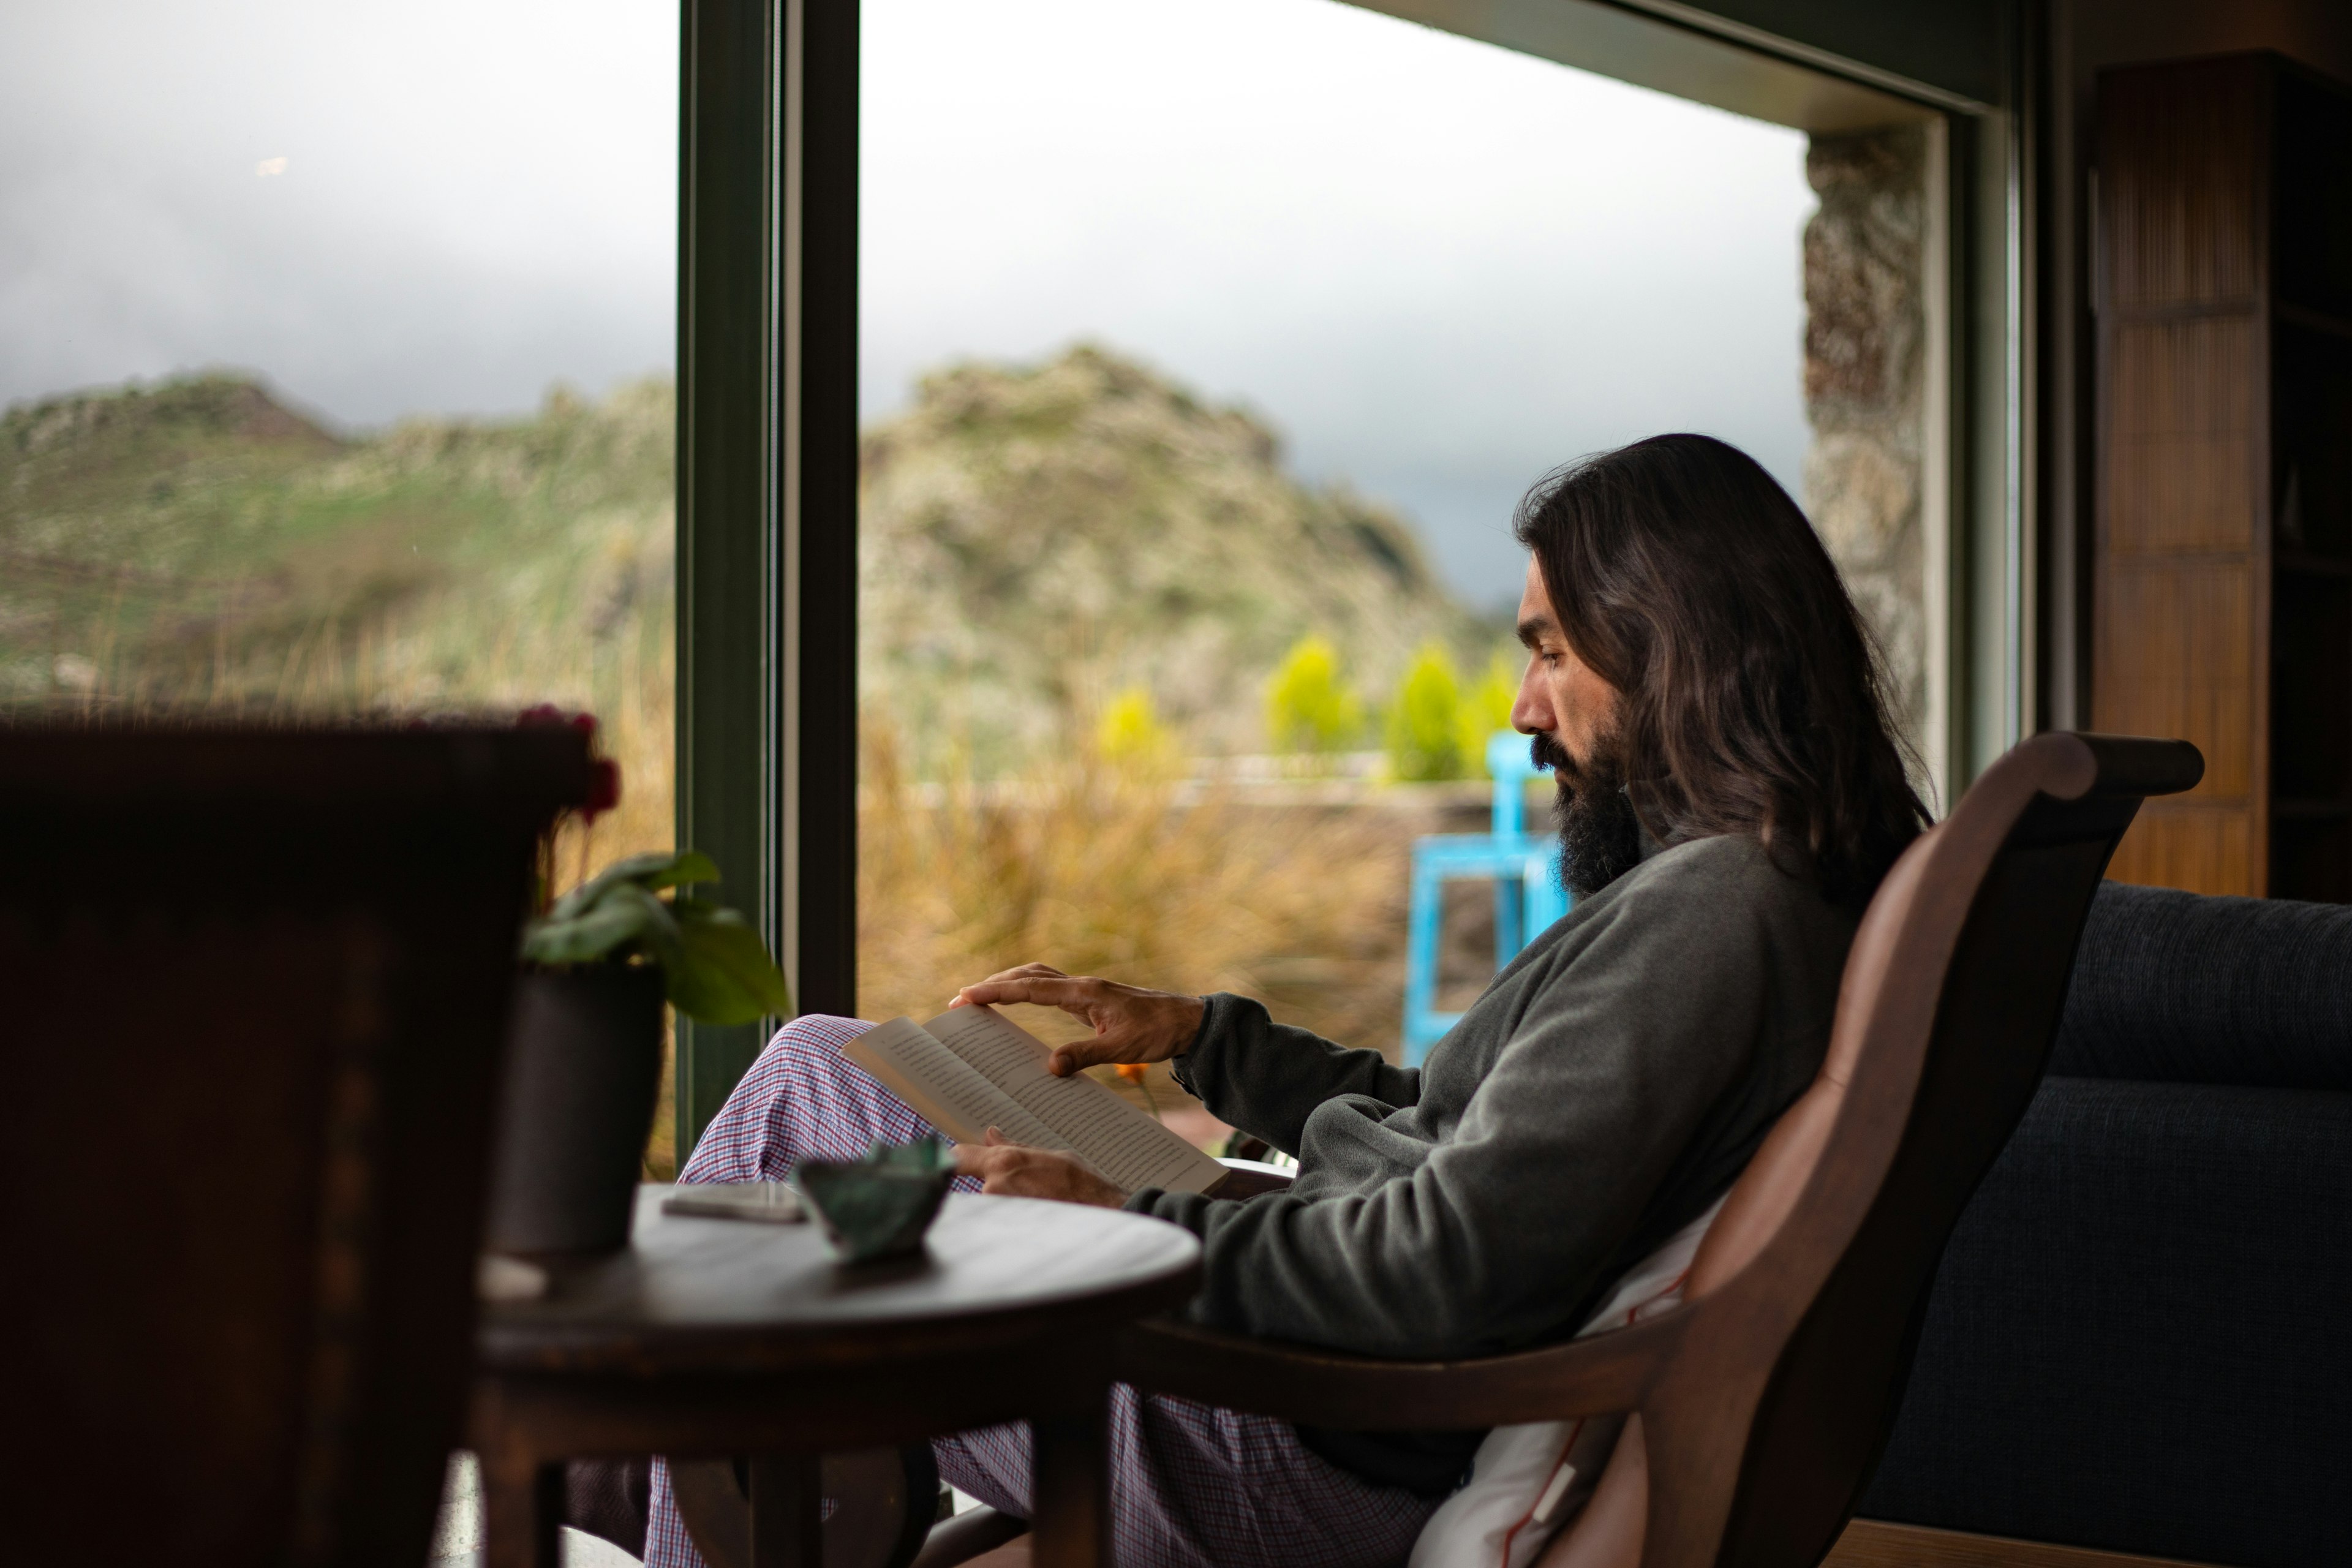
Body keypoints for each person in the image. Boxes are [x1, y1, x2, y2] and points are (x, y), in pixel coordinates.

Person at [641, 433, 1929, 1568]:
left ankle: (615, 1442)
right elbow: (1453, 1134)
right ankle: (668, 1454)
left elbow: (1448, 1262)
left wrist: (1127, 1226)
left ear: (1670, 638)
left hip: (1285, 1438)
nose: (1526, 707)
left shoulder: (1714, 915)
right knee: (848, 1099)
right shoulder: (1776, 892)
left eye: (1548, 650)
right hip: (1310, 1377)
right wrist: (1207, 1040)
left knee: (815, 1073)